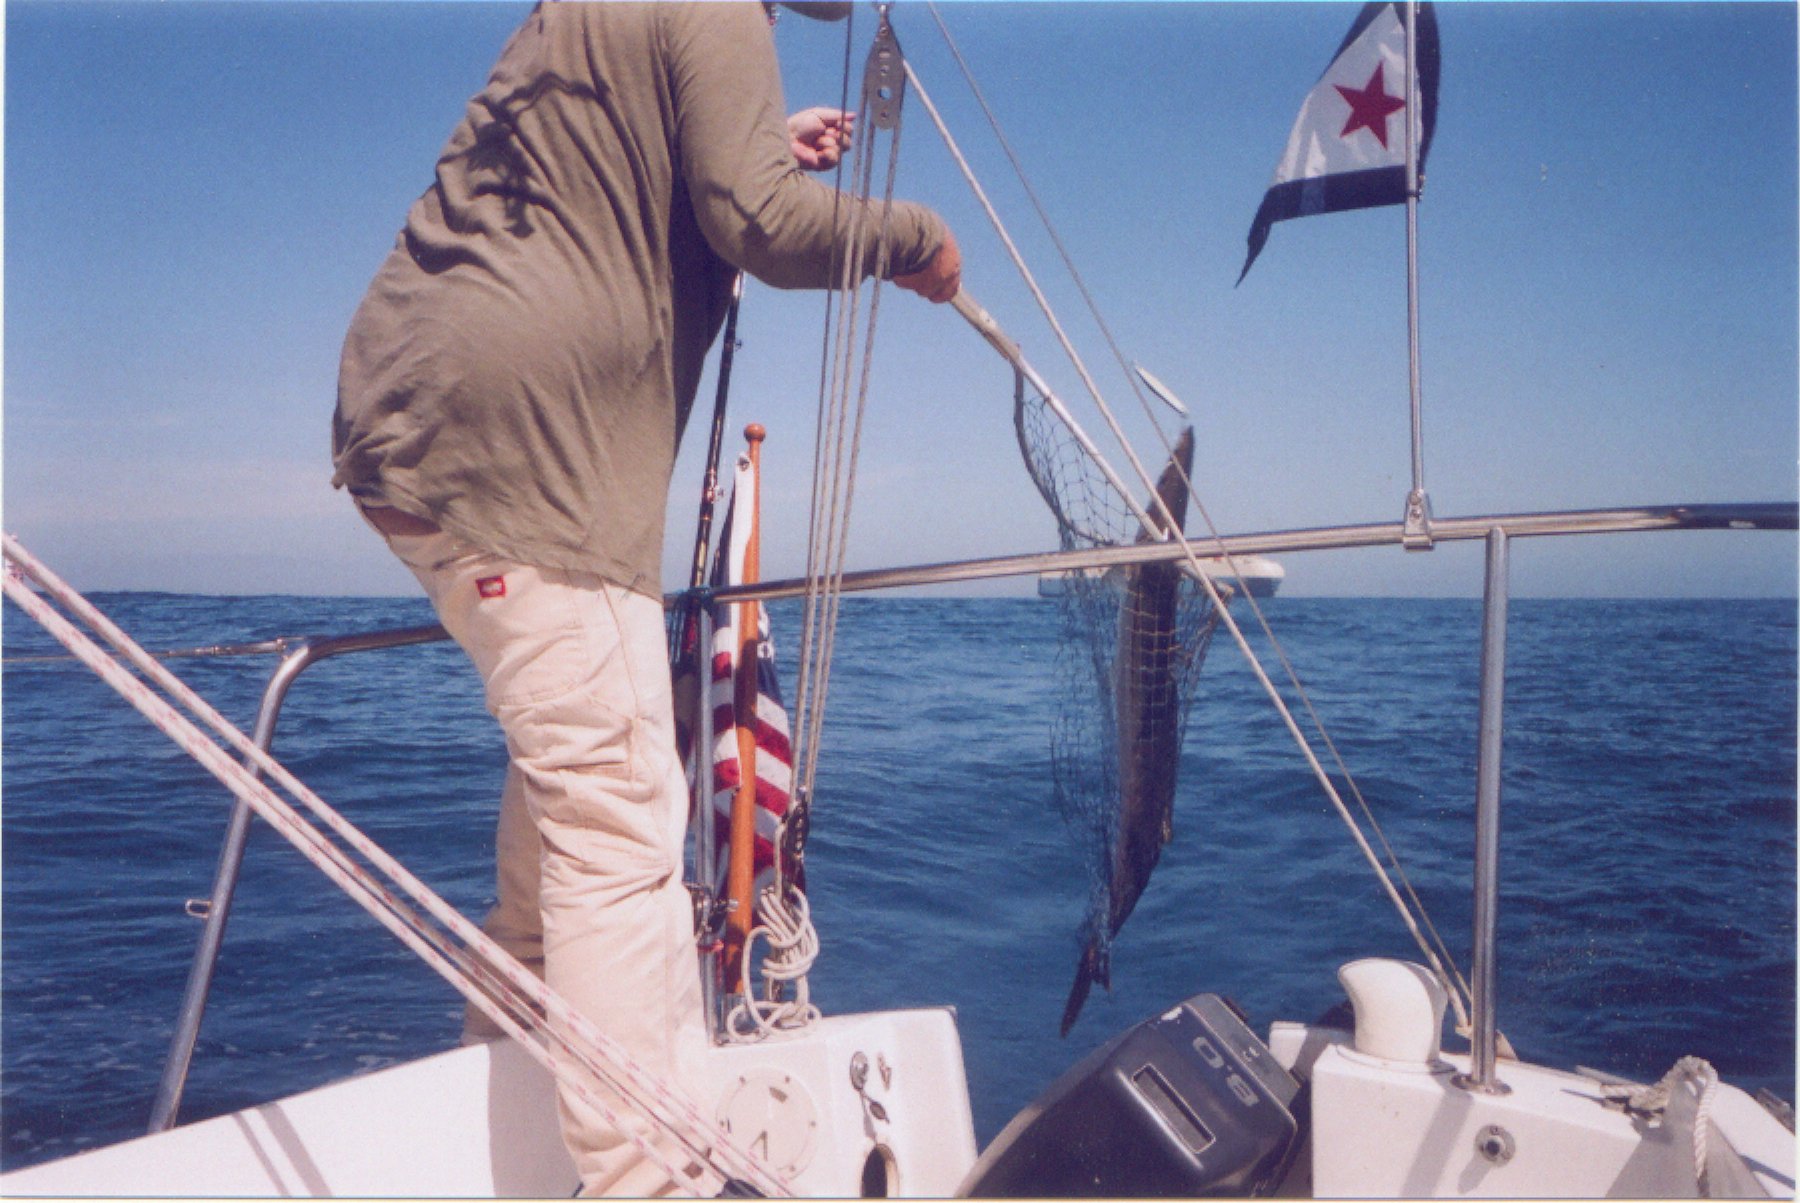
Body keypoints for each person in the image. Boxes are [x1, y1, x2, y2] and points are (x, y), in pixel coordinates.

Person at [330, 2, 960, 1195]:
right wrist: (914, 238)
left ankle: (502, 1106)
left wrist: (759, 134)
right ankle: (644, 1182)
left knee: (568, 807)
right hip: (528, 460)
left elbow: (651, 156)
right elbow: (763, 225)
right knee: (619, 814)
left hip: (421, 415)